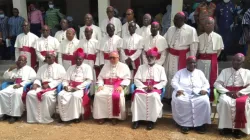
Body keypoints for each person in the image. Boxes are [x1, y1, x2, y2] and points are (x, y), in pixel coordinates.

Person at [171, 56, 211, 134]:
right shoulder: (180, 72)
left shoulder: (200, 72)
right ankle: (184, 124)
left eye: (194, 63)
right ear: (187, 63)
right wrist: (179, 89)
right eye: (190, 63)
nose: (192, 64)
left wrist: (204, 89)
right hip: (183, 93)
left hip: (198, 93)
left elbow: (206, 83)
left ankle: (200, 124)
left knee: (204, 101)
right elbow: (173, 81)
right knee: (180, 100)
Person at [214, 53, 250, 138]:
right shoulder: (225, 71)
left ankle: (239, 129)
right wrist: (227, 92)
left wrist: (241, 92)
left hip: (242, 94)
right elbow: (217, 83)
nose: (235, 62)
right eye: (233, 60)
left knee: (244, 104)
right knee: (224, 101)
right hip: (228, 93)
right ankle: (226, 127)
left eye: (238, 60)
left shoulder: (247, 72)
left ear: (243, 62)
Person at [164, 12, 199, 100]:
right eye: (174, 19)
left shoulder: (191, 30)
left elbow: (193, 47)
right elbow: (164, 41)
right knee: (169, 74)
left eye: (177, 19)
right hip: (171, 56)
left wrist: (192, 60)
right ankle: (168, 96)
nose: (174, 21)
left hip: (183, 57)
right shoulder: (170, 29)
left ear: (184, 20)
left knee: (181, 77)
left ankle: (179, 96)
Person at [131, 47, 167, 130]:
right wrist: (144, 87)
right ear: (146, 58)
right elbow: (136, 79)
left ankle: (152, 120)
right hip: (143, 87)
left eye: (152, 57)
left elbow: (164, 81)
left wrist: (154, 87)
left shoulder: (161, 68)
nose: (150, 58)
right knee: (137, 96)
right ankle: (136, 119)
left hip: (155, 89)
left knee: (154, 96)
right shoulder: (141, 67)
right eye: (148, 57)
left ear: (155, 58)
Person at [26, 52, 66, 123]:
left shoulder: (60, 67)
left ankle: (46, 116)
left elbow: (62, 79)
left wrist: (50, 85)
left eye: (49, 57)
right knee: (30, 94)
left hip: (53, 88)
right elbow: (38, 78)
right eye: (46, 57)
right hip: (41, 87)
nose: (47, 59)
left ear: (54, 58)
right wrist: (35, 84)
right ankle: (33, 117)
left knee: (47, 96)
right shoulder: (42, 67)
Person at [93, 51, 131, 125]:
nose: (112, 60)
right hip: (106, 86)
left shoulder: (124, 66)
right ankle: (102, 116)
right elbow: (100, 77)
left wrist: (122, 86)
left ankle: (115, 117)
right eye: (110, 58)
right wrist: (100, 85)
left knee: (117, 96)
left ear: (118, 58)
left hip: (118, 86)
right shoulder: (106, 65)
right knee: (98, 95)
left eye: (114, 58)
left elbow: (127, 78)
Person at [58, 48, 93, 123]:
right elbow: (65, 79)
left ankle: (76, 116)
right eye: (76, 59)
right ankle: (63, 116)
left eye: (80, 59)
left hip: (80, 88)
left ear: (83, 59)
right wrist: (65, 86)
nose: (78, 61)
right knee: (60, 95)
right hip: (70, 87)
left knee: (75, 96)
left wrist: (78, 88)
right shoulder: (71, 67)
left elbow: (89, 80)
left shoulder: (87, 67)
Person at [0, 55, 36, 123]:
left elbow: (32, 79)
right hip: (14, 85)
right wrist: (10, 69)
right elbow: (5, 77)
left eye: (22, 60)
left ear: (26, 62)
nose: (20, 62)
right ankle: (5, 113)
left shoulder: (29, 69)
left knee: (16, 94)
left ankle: (15, 115)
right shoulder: (15, 69)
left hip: (23, 86)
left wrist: (21, 84)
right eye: (19, 60)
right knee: (2, 93)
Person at [197, 17, 224, 101]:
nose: (207, 25)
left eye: (209, 23)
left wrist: (211, 58)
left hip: (212, 61)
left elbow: (218, 51)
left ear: (213, 25)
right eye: (206, 23)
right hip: (200, 61)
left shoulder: (218, 37)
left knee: (211, 79)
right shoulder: (199, 37)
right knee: (200, 78)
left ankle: (211, 96)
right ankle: (200, 94)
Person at [241, 2, 250, 69]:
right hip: (249, 37)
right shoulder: (248, 12)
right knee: (248, 58)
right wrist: (247, 36)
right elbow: (245, 25)